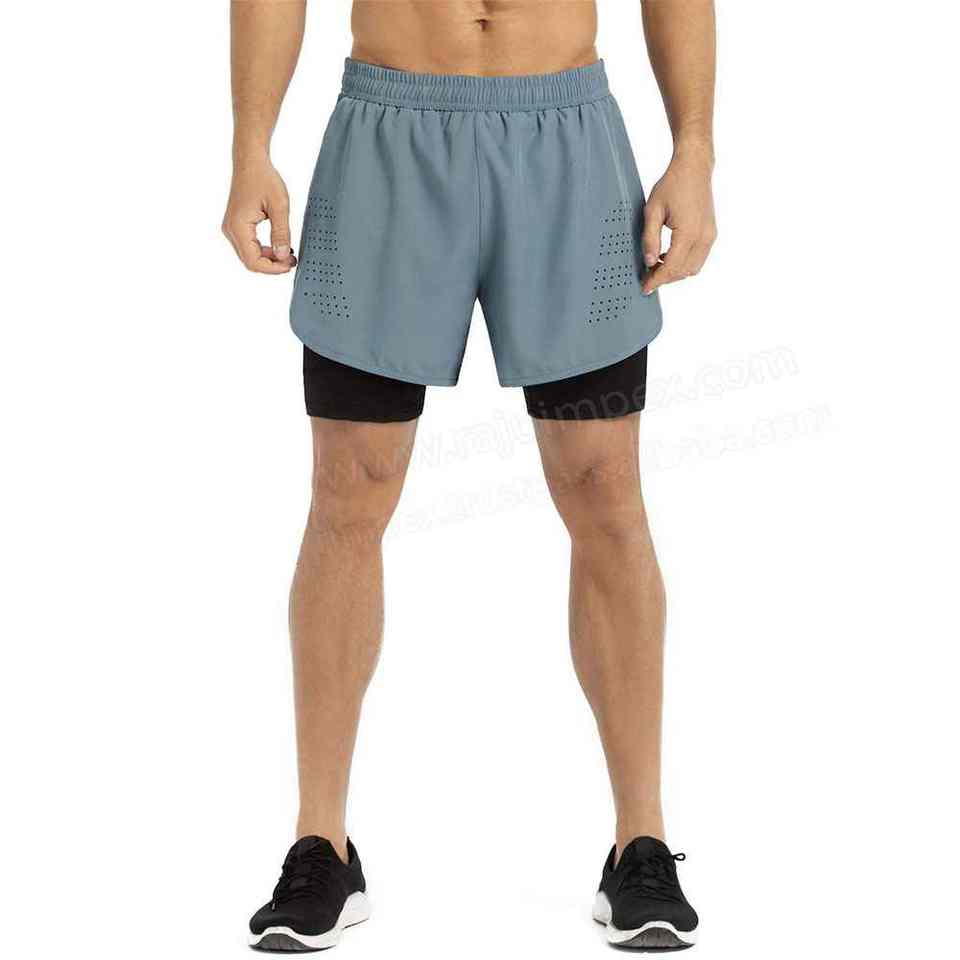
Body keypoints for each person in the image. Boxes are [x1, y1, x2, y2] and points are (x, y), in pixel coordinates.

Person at [223, 0, 716, 951]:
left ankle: (641, 845)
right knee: (349, 491)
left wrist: (693, 152)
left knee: (605, 491)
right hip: (388, 138)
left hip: (568, 142)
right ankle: (321, 845)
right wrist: (251, 147)